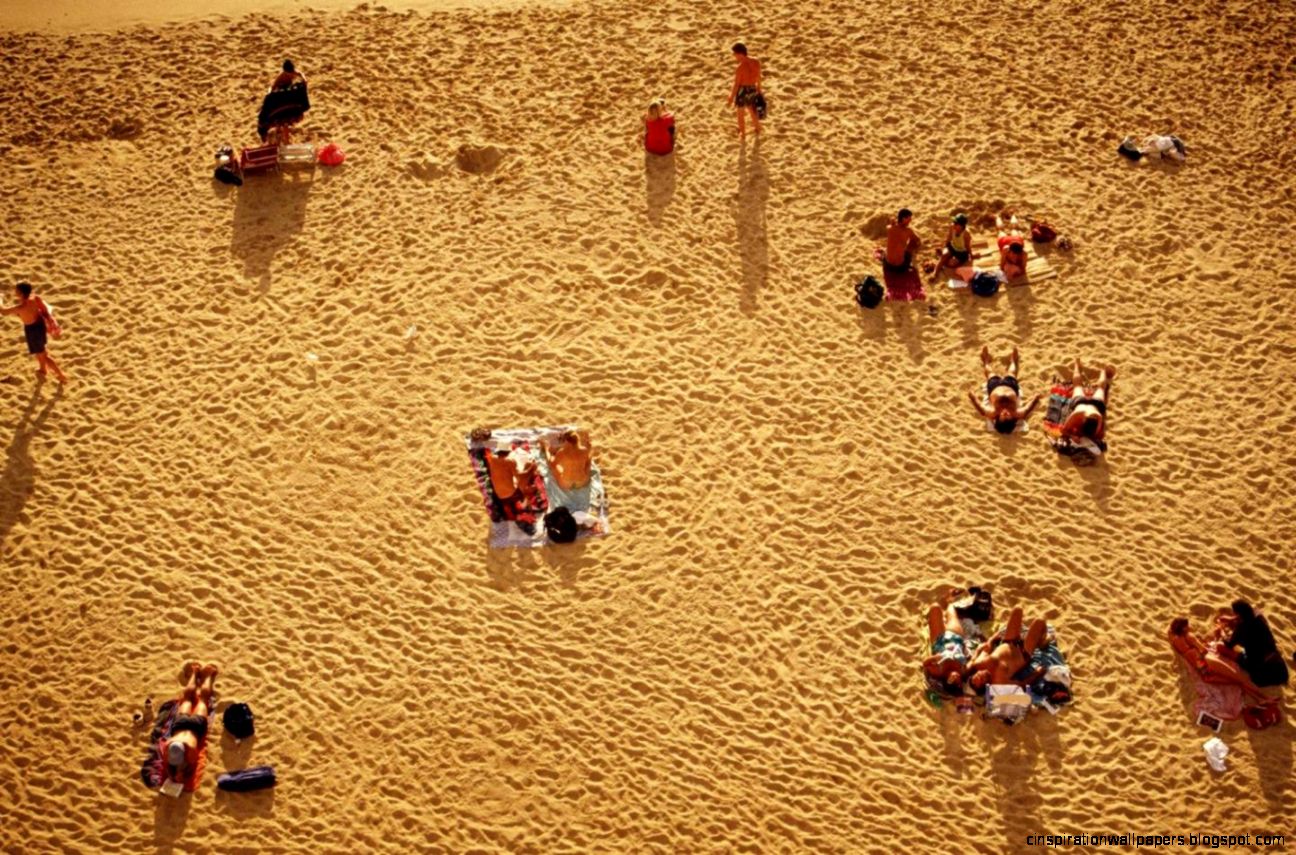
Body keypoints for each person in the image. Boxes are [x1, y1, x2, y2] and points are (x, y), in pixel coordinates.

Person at [1168, 618, 1277, 704]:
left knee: (1236, 681)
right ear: (1183, 629)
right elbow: (1203, 650)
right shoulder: (1189, 636)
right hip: (1207, 661)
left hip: (1203, 672)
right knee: (1239, 677)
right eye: (1187, 625)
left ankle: (1260, 700)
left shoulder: (1175, 640)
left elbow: (1170, 631)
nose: (1189, 626)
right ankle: (1265, 697)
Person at [966, 608, 1048, 692]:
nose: (981, 675)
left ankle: (1023, 636)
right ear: (986, 685)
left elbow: (988, 646)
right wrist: (1037, 673)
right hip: (1023, 653)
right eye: (982, 679)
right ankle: (1041, 641)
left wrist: (995, 636)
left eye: (977, 675)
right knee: (1040, 621)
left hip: (1008, 641)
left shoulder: (979, 663)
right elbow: (1022, 685)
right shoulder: (999, 682)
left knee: (1017, 610)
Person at [163, 663, 218, 786]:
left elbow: (190, 768)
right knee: (188, 698)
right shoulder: (168, 746)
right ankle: (197, 672)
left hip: (194, 726)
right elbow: (167, 764)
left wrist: (177, 775)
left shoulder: (189, 750)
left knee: (202, 699)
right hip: (180, 723)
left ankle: (204, 674)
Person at [2, 283, 66, 383]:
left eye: (16, 290)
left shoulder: (21, 307)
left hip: (33, 331)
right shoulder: (35, 298)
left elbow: (3, 312)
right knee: (38, 351)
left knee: (43, 355)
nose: (14, 291)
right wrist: (49, 321)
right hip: (39, 326)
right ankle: (43, 369)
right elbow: (44, 310)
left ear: (20, 293)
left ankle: (61, 375)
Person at [968, 346, 1041, 434]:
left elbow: (980, 407)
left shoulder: (993, 413)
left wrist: (972, 397)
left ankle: (986, 360)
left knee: (990, 374)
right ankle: (1013, 360)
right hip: (1011, 386)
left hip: (994, 387)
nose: (1006, 412)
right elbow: (1028, 407)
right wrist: (1036, 398)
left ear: (998, 418)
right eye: (1008, 415)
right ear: (1012, 418)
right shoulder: (1017, 414)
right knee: (1012, 373)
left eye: (1003, 415)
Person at [1221, 600, 1289, 687]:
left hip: (1257, 663)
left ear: (1238, 615)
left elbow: (1229, 644)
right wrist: (1231, 619)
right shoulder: (1259, 617)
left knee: (1222, 649)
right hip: (1274, 658)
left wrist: (1222, 631)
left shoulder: (1241, 629)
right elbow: (1251, 610)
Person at [923, 596, 972, 693]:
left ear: (947, 681)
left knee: (935, 608)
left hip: (939, 638)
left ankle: (943, 613)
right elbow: (974, 662)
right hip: (956, 637)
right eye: (959, 682)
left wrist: (934, 657)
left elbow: (925, 664)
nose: (956, 677)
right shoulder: (963, 671)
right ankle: (949, 599)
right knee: (951, 610)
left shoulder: (938, 671)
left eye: (953, 681)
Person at [1061, 359, 1115, 443]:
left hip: (1086, 403)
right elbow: (1064, 431)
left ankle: (1077, 365)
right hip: (1087, 403)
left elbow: (1064, 430)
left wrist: (1072, 436)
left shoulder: (1083, 415)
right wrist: (1073, 437)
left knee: (1077, 386)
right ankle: (1103, 370)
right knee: (1100, 388)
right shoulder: (1096, 417)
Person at [727, 43, 762, 138]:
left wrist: (731, 98)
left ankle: (742, 133)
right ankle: (757, 128)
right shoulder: (756, 61)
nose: (734, 56)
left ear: (740, 54)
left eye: (735, 54)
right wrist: (759, 88)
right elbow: (759, 76)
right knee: (752, 110)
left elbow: (736, 85)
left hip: (743, 90)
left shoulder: (740, 68)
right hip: (752, 88)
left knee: (740, 113)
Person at [933, 213, 974, 278]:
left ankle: (946, 258)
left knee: (951, 264)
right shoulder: (952, 227)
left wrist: (971, 254)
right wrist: (945, 246)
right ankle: (935, 273)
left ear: (962, 226)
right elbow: (949, 238)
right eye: (954, 222)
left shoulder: (966, 234)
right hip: (953, 247)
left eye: (956, 223)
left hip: (961, 252)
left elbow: (967, 246)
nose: (954, 224)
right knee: (944, 256)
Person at [884, 209, 920, 273]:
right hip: (900, 268)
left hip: (887, 265)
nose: (910, 221)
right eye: (909, 219)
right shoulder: (908, 231)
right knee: (913, 242)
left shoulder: (890, 228)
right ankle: (913, 260)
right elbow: (917, 239)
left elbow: (889, 226)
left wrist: (893, 223)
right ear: (903, 219)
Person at [996, 212, 1028, 279]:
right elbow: (1001, 266)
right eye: (1013, 254)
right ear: (1009, 251)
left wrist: (1014, 273)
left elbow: (1023, 269)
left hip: (1017, 240)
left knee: (1014, 229)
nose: (1014, 256)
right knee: (1000, 230)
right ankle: (997, 217)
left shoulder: (1024, 253)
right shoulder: (1005, 249)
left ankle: (1013, 215)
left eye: (1016, 255)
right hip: (1004, 240)